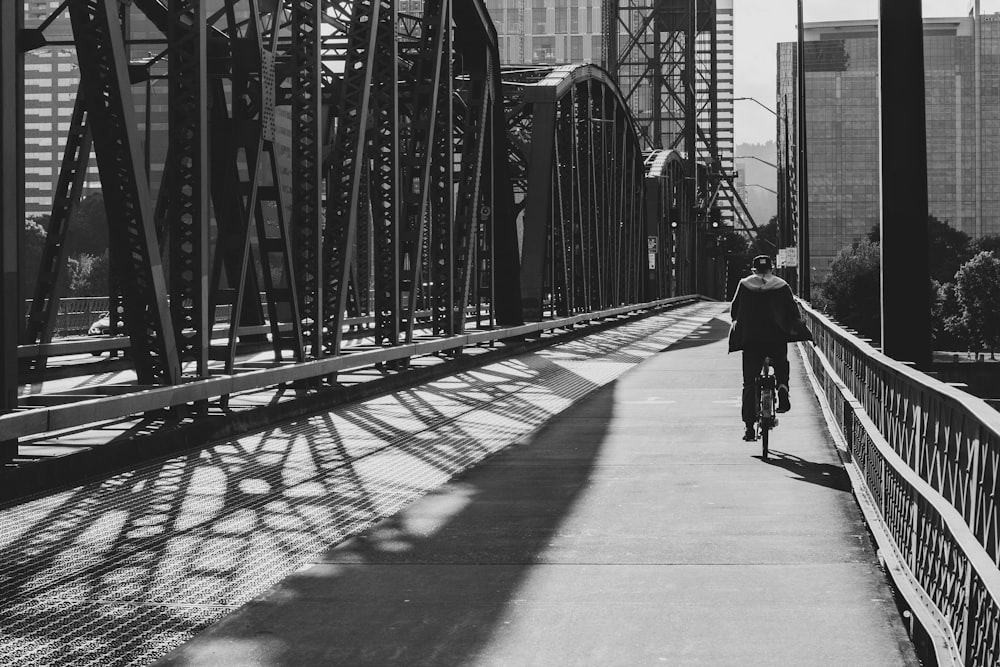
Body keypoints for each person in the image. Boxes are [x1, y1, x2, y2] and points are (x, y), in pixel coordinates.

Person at [729, 254, 813, 442]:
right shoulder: (782, 286)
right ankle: (782, 386)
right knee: (781, 363)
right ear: (771, 269)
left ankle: (749, 428)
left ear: (754, 270)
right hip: (776, 337)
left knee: (749, 383)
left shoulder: (744, 285)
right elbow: (793, 312)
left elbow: (734, 311)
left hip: (751, 340)